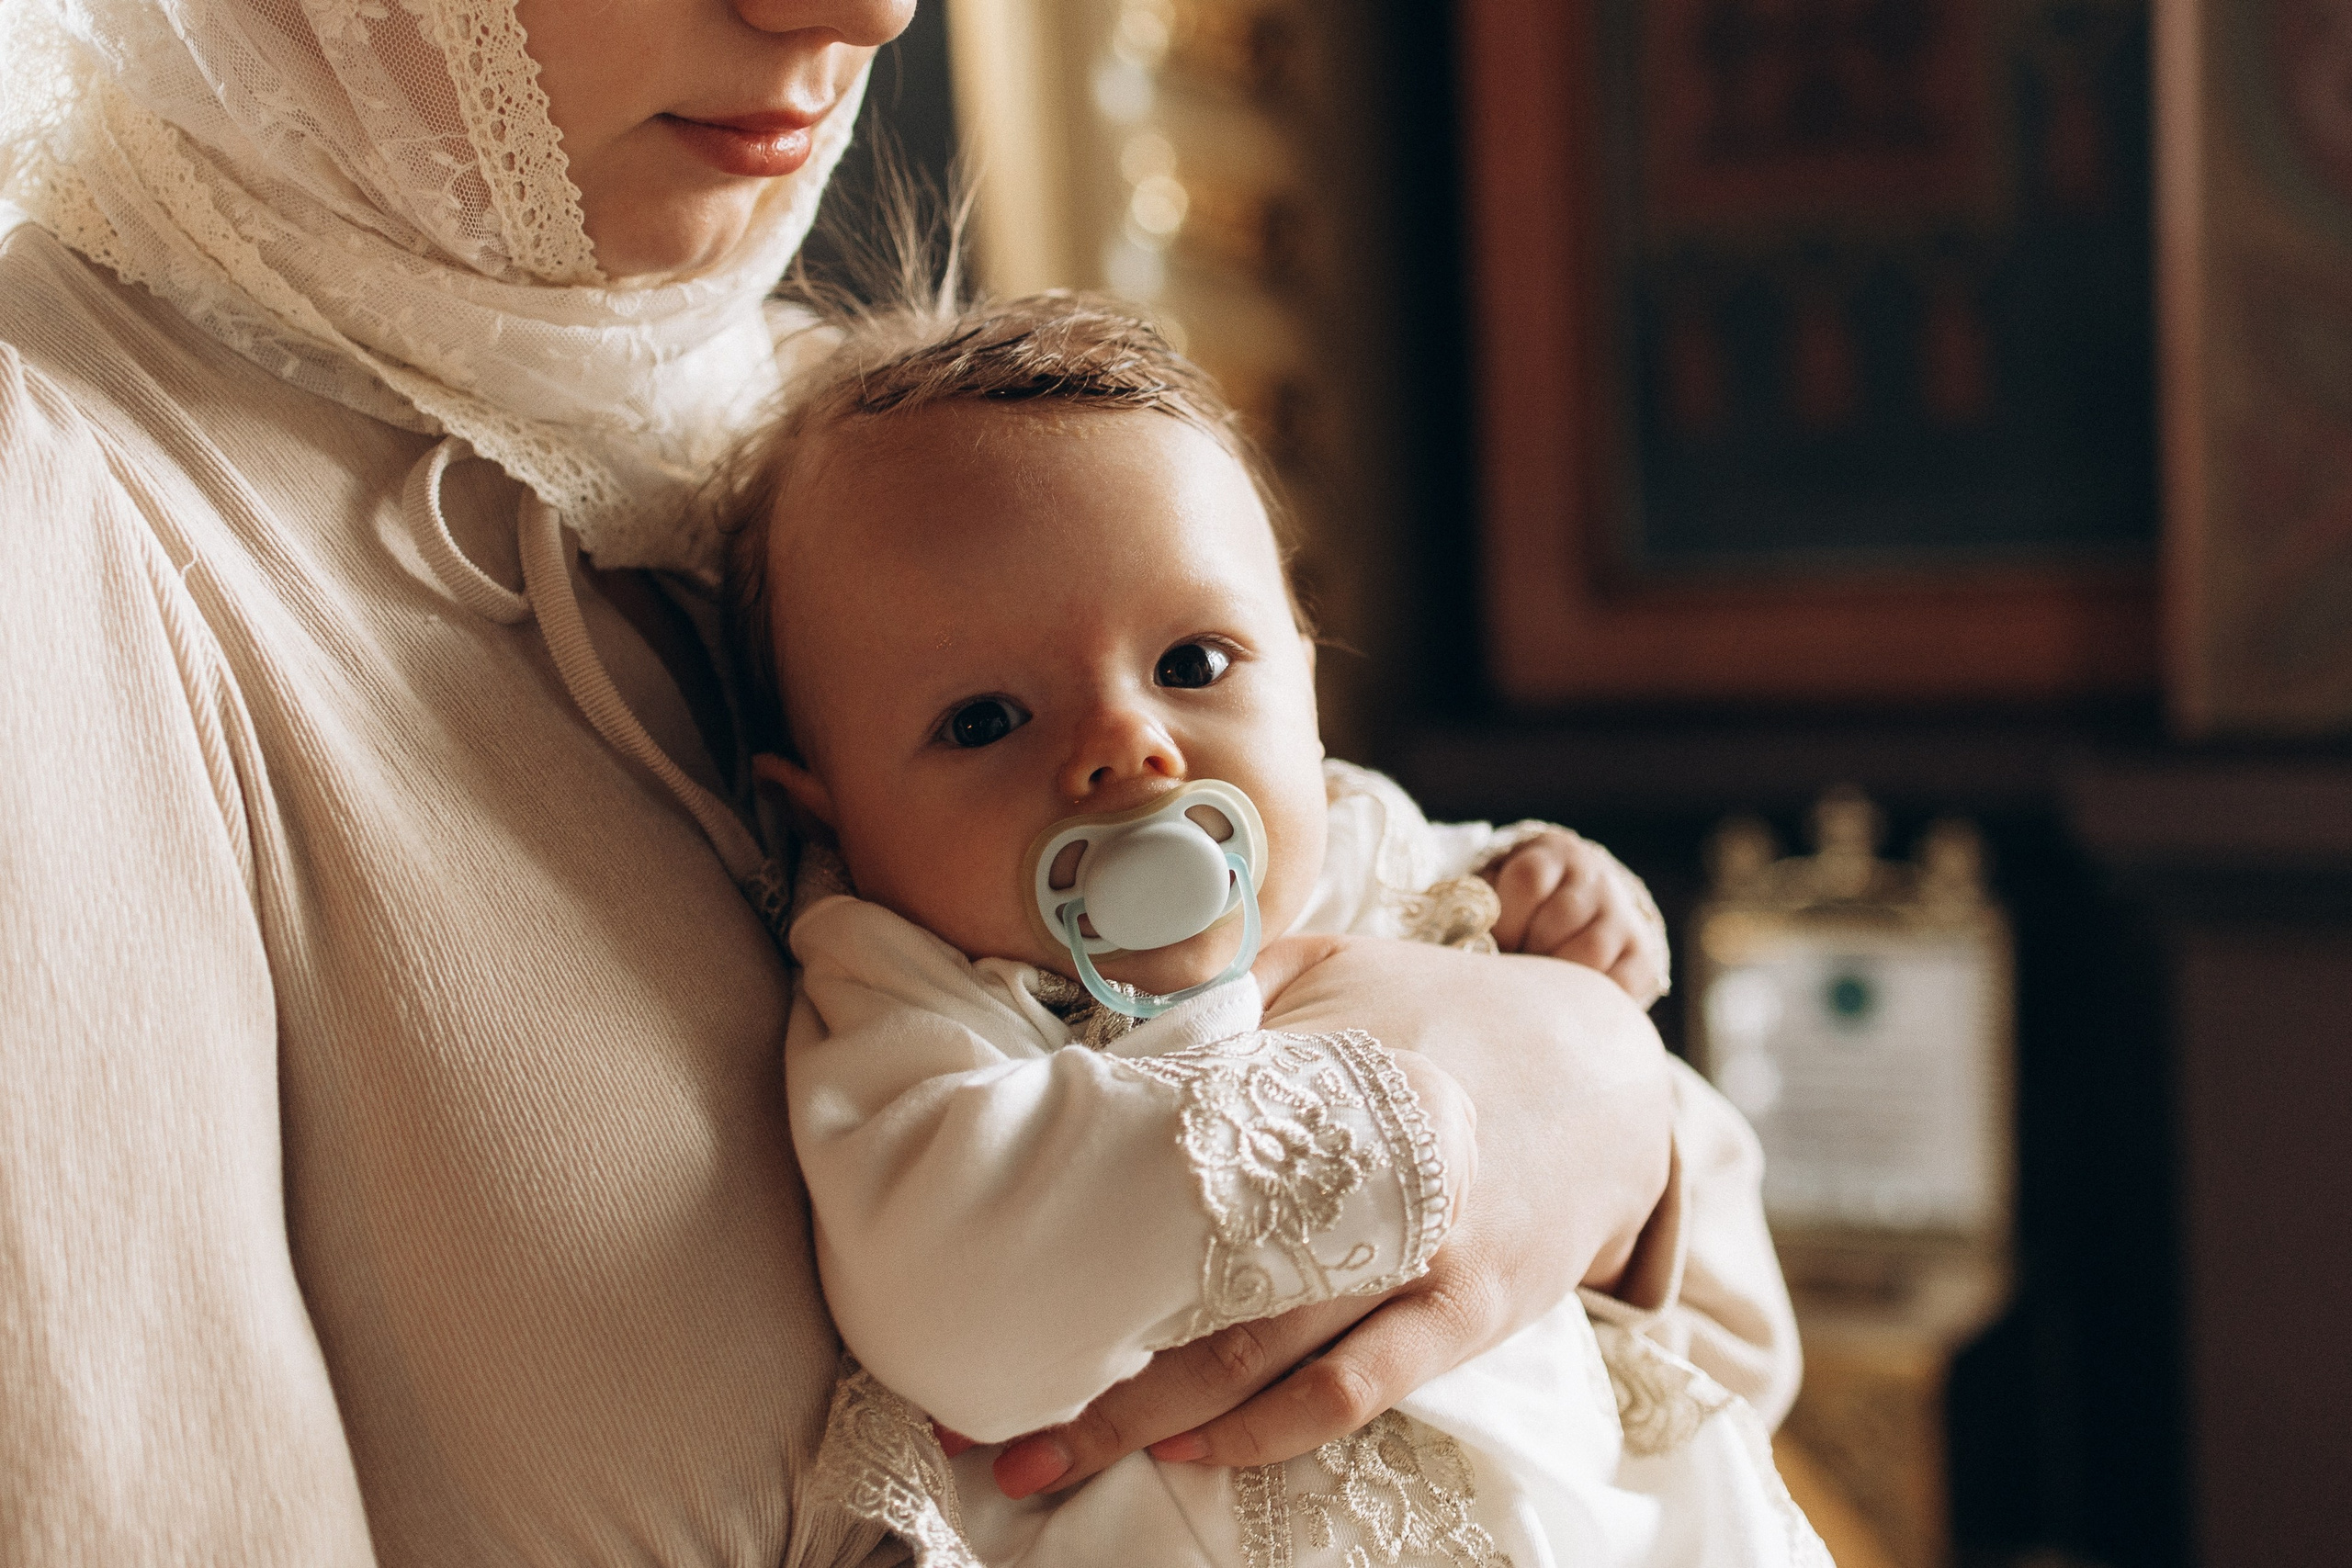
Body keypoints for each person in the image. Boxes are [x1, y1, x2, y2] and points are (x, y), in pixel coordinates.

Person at [0, 2, 1795, 1563]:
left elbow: (1725, 1340)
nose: (863, 12)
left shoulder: (837, 433)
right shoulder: (59, 520)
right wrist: (1434, 1118)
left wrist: (1566, 1074)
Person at [717, 291, 1822, 1567]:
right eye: (982, 720)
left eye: (1191, 663)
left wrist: (1573, 949)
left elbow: (1719, 1289)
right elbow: (949, 1309)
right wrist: (1389, 1127)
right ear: (826, 818)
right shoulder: (911, 987)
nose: (1128, 747)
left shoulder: (1380, 857)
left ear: (1303, 665)